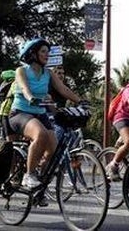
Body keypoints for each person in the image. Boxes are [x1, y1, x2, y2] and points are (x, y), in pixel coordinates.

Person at [9, 38, 84, 189]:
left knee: (54, 150)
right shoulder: (22, 70)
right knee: (40, 134)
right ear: (33, 53)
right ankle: (28, 175)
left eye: (48, 52)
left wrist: (81, 101)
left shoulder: (48, 73)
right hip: (20, 113)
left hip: (40, 114)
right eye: (43, 51)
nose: (47, 55)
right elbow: (24, 87)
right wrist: (30, 97)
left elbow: (64, 89)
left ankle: (40, 182)